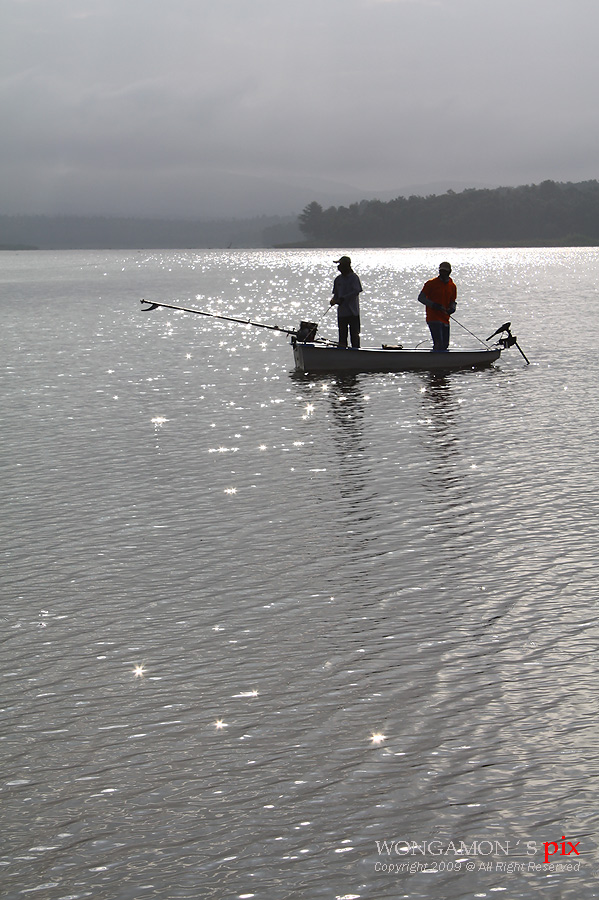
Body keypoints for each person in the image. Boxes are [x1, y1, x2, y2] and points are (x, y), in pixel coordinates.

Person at [417, 262, 457, 351]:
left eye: (445, 271)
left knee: (445, 344)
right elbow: (421, 298)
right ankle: (434, 362)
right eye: (441, 271)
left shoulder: (452, 286)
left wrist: (452, 309)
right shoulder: (431, 283)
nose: (443, 273)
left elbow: (452, 301)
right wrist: (434, 305)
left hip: (445, 318)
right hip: (433, 318)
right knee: (438, 344)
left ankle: (442, 362)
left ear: (450, 272)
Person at [330, 255, 363, 348]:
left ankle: (356, 354)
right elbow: (336, 294)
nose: (339, 267)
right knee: (342, 337)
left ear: (347, 265)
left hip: (353, 312)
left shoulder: (354, 278)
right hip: (342, 313)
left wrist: (343, 298)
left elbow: (356, 291)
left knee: (355, 337)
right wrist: (333, 300)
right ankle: (342, 353)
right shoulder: (338, 279)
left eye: (340, 264)